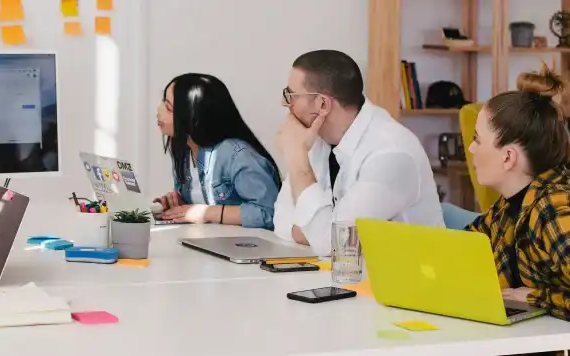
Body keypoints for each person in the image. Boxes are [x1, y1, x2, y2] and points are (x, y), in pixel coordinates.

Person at [466, 64, 570, 355]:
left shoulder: (556, 211)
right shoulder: (509, 207)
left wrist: (538, 298)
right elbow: (463, 248)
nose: (470, 149)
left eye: (477, 139)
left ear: (508, 157)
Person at [274, 50, 443, 254]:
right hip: (348, 276)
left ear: (322, 104)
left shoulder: (391, 153)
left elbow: (336, 243)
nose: (285, 104)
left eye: (291, 96)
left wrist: (297, 158)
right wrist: (317, 233)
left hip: (408, 281)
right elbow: (281, 219)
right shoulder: (316, 136)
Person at [153, 73, 281, 230]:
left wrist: (206, 212)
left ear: (195, 118)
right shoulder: (184, 148)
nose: (158, 110)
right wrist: (181, 204)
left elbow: (269, 213)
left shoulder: (237, 155)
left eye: (168, 107)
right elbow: (202, 200)